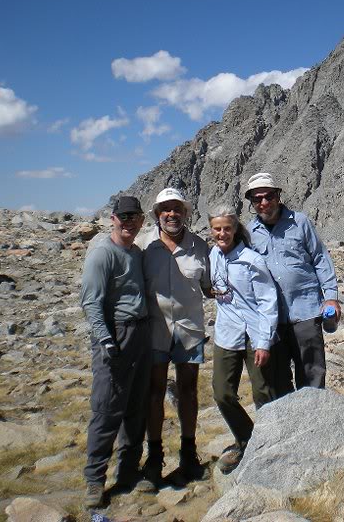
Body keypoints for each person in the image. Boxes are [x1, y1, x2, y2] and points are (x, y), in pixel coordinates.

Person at [137, 188, 211, 491]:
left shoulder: (200, 246)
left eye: (177, 209)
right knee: (153, 392)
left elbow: (211, 287)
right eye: (165, 209)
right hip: (154, 329)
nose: (172, 214)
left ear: (186, 213)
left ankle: (188, 452)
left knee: (188, 392)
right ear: (157, 214)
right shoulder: (143, 244)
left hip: (189, 331)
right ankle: (154, 457)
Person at [79, 196, 150, 509]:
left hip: (141, 333)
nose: (129, 221)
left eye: (134, 216)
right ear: (113, 218)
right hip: (116, 335)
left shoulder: (135, 252)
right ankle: (95, 480)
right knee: (107, 408)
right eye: (123, 216)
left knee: (136, 405)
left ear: (141, 220)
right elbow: (91, 302)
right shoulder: (102, 254)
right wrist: (106, 340)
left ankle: (128, 471)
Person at [244, 172, 340, 395]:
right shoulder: (250, 232)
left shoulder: (300, 222)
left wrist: (332, 297)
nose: (264, 203)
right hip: (272, 317)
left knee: (312, 373)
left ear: (278, 196)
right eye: (257, 199)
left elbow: (320, 258)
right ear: (251, 202)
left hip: (306, 310)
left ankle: (315, 422)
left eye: (268, 196)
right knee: (278, 379)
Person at [208, 204, 278, 474]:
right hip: (226, 334)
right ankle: (248, 438)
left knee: (263, 392)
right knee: (222, 393)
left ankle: (270, 444)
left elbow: (267, 301)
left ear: (236, 229)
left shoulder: (251, 260)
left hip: (253, 334)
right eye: (217, 229)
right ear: (211, 230)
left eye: (227, 228)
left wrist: (264, 341)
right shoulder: (213, 255)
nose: (222, 233)